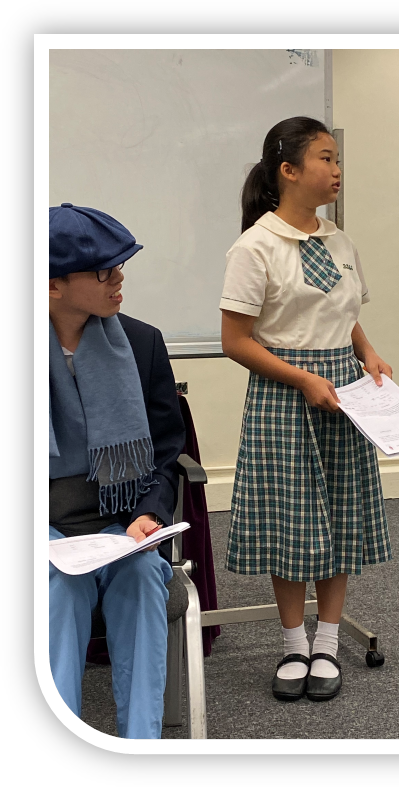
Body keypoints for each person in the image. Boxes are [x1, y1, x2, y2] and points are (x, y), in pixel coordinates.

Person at [220, 117, 393, 702]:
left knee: (340, 515)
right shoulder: (255, 246)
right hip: (285, 395)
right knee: (290, 521)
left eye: (337, 158)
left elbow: (344, 314)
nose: (337, 169)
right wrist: (302, 379)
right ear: (288, 170)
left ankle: (328, 641)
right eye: (325, 158)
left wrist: (368, 354)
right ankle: (294, 644)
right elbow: (236, 341)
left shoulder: (340, 241)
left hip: (344, 394)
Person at [48, 203, 185, 738]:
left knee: (142, 578)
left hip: (121, 523)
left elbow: (167, 453)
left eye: (121, 266)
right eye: (104, 271)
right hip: (48, 530)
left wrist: (149, 514)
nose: (120, 278)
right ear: (53, 286)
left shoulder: (142, 342)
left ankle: (141, 740)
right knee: (58, 587)